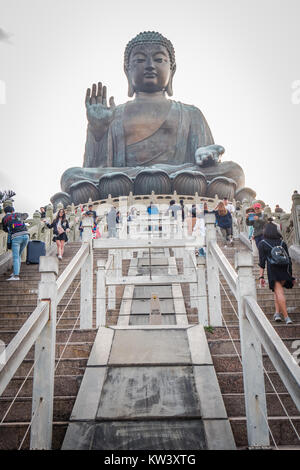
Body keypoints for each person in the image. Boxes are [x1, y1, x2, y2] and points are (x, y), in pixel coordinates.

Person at [55, 31, 252, 207]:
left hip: (179, 178)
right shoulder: (115, 114)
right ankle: (157, 177)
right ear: (127, 71)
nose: (150, 66)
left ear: (172, 70)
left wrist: (207, 154)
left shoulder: (190, 113)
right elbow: (95, 169)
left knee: (234, 172)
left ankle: (161, 176)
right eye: (140, 60)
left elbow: (206, 160)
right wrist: (97, 131)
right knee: (71, 176)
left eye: (159, 59)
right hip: (127, 180)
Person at [258, 221, 295, 324]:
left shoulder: (263, 243)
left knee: (279, 293)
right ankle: (277, 313)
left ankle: (287, 317)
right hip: (284, 270)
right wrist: (291, 275)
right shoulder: (282, 242)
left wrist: (261, 276)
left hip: (273, 270)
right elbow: (289, 259)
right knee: (277, 292)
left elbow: (262, 262)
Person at [2, 206, 29, 281]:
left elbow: (5, 229)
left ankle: (16, 276)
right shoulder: (18, 214)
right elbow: (26, 215)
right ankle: (15, 272)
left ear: (5, 212)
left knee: (16, 257)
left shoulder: (5, 218)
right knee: (19, 256)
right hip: (26, 235)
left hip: (16, 237)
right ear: (12, 211)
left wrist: (12, 227)